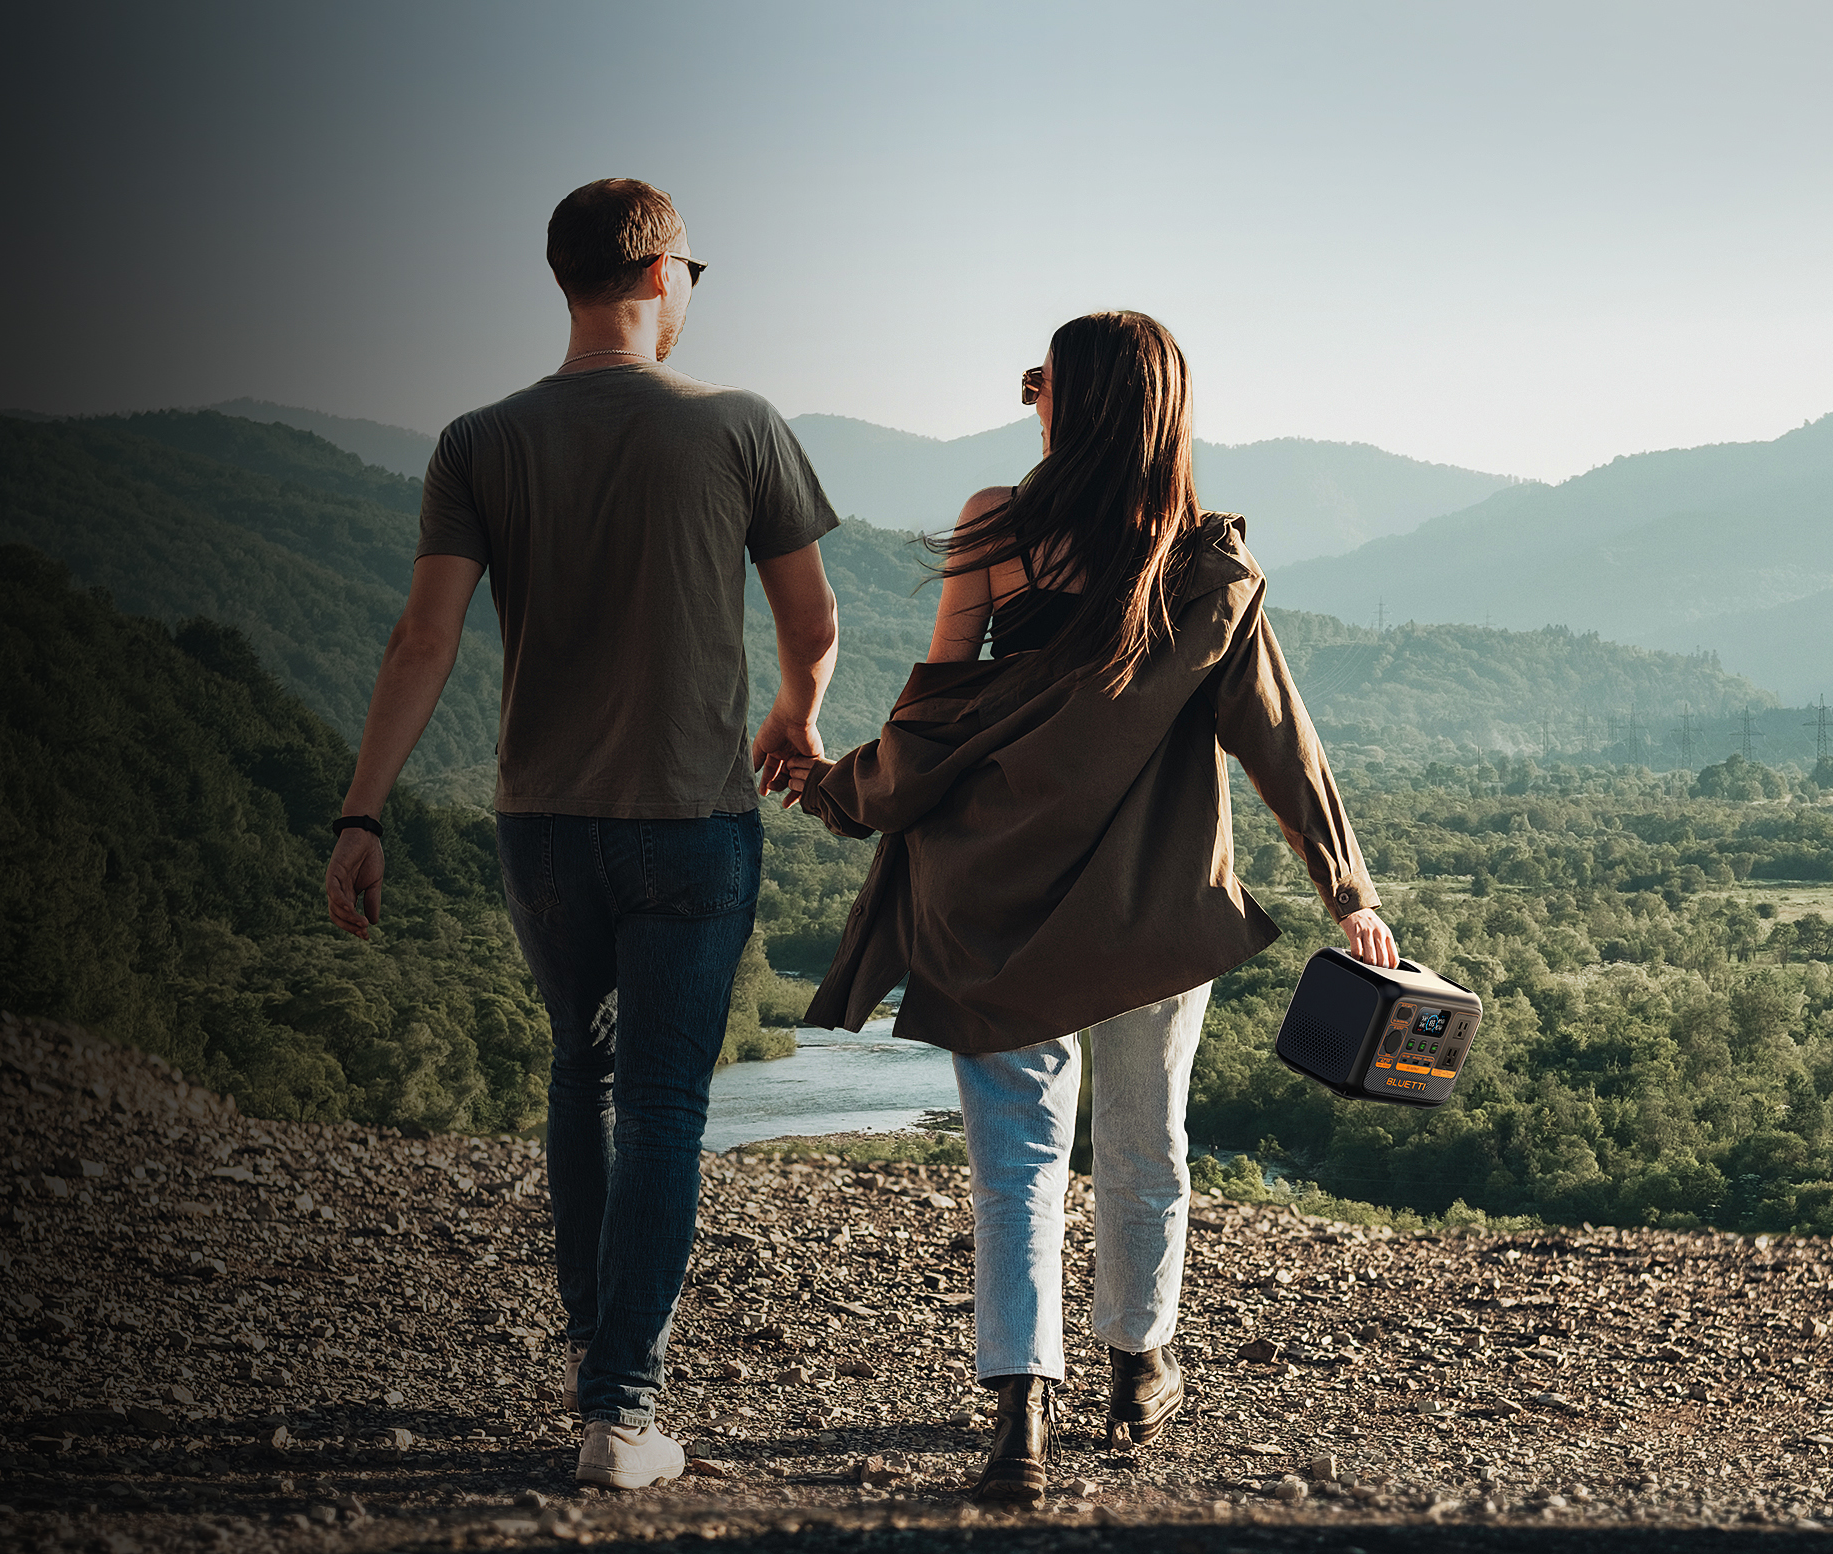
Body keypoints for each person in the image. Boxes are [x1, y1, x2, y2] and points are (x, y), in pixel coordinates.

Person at [773, 310, 1394, 1503]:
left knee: (1016, 1161)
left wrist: (837, 790)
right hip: (1154, 914)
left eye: (1039, 382)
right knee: (1145, 1147)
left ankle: (1018, 1420)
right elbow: (1281, 742)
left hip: (991, 901)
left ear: (1086, 401)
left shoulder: (996, 526)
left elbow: (934, 723)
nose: (1028, 401)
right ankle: (1139, 1365)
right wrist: (1346, 893)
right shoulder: (1210, 568)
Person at [322, 178, 842, 1490]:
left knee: (582, 1073)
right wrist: (792, 723)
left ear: (564, 280)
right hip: (694, 823)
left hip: (544, 827)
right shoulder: (737, 426)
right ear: (662, 276)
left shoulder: (477, 441)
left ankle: (593, 1370)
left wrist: (361, 809)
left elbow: (422, 638)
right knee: (664, 1100)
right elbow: (815, 624)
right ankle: (621, 1411)